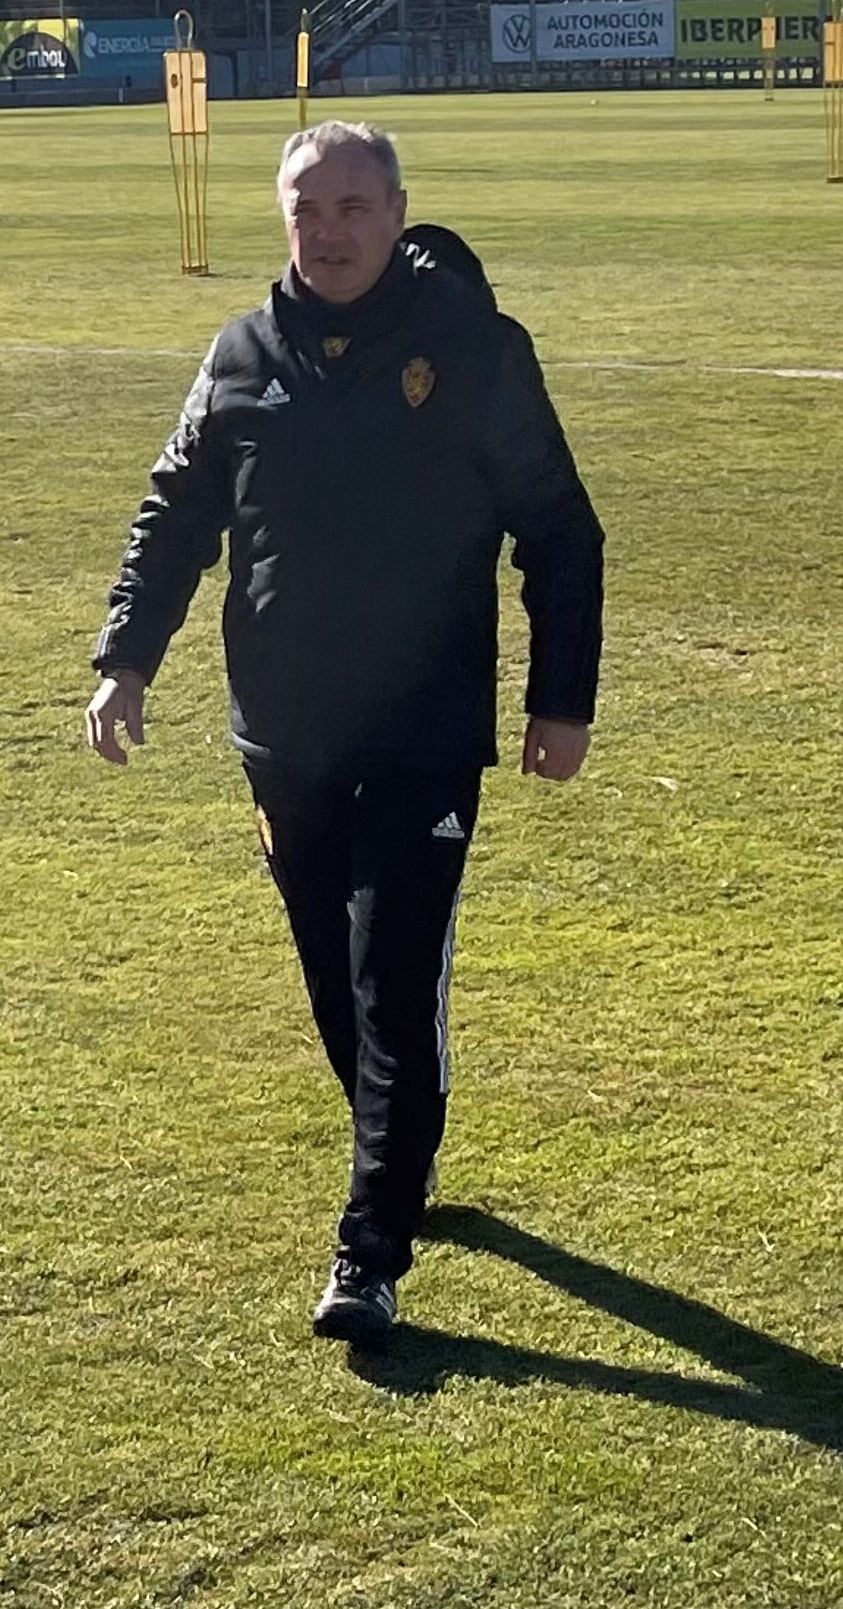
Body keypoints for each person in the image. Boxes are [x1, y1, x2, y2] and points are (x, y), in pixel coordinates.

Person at [85, 120, 605, 1343]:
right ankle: (400, 1143)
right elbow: (175, 515)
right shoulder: (241, 353)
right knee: (337, 982)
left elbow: (561, 531)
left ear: (398, 209)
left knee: (391, 973)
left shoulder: (473, 352)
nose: (327, 233)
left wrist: (560, 700)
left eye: (353, 207)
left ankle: (369, 1246)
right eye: (304, 211)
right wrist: (124, 659)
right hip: (283, 731)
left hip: (422, 730)